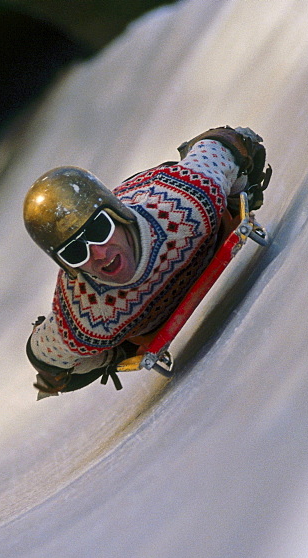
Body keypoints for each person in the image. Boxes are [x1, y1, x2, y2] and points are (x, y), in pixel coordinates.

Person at [23, 126, 271, 399]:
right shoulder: (82, 318)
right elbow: (45, 360)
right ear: (68, 266)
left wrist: (235, 191)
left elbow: (226, 143)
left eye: (98, 231)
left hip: (153, 194)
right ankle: (118, 343)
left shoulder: (186, 202)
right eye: (75, 253)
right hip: (120, 321)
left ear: (117, 214)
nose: (100, 255)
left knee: (233, 178)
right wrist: (110, 355)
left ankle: (230, 202)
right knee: (71, 371)